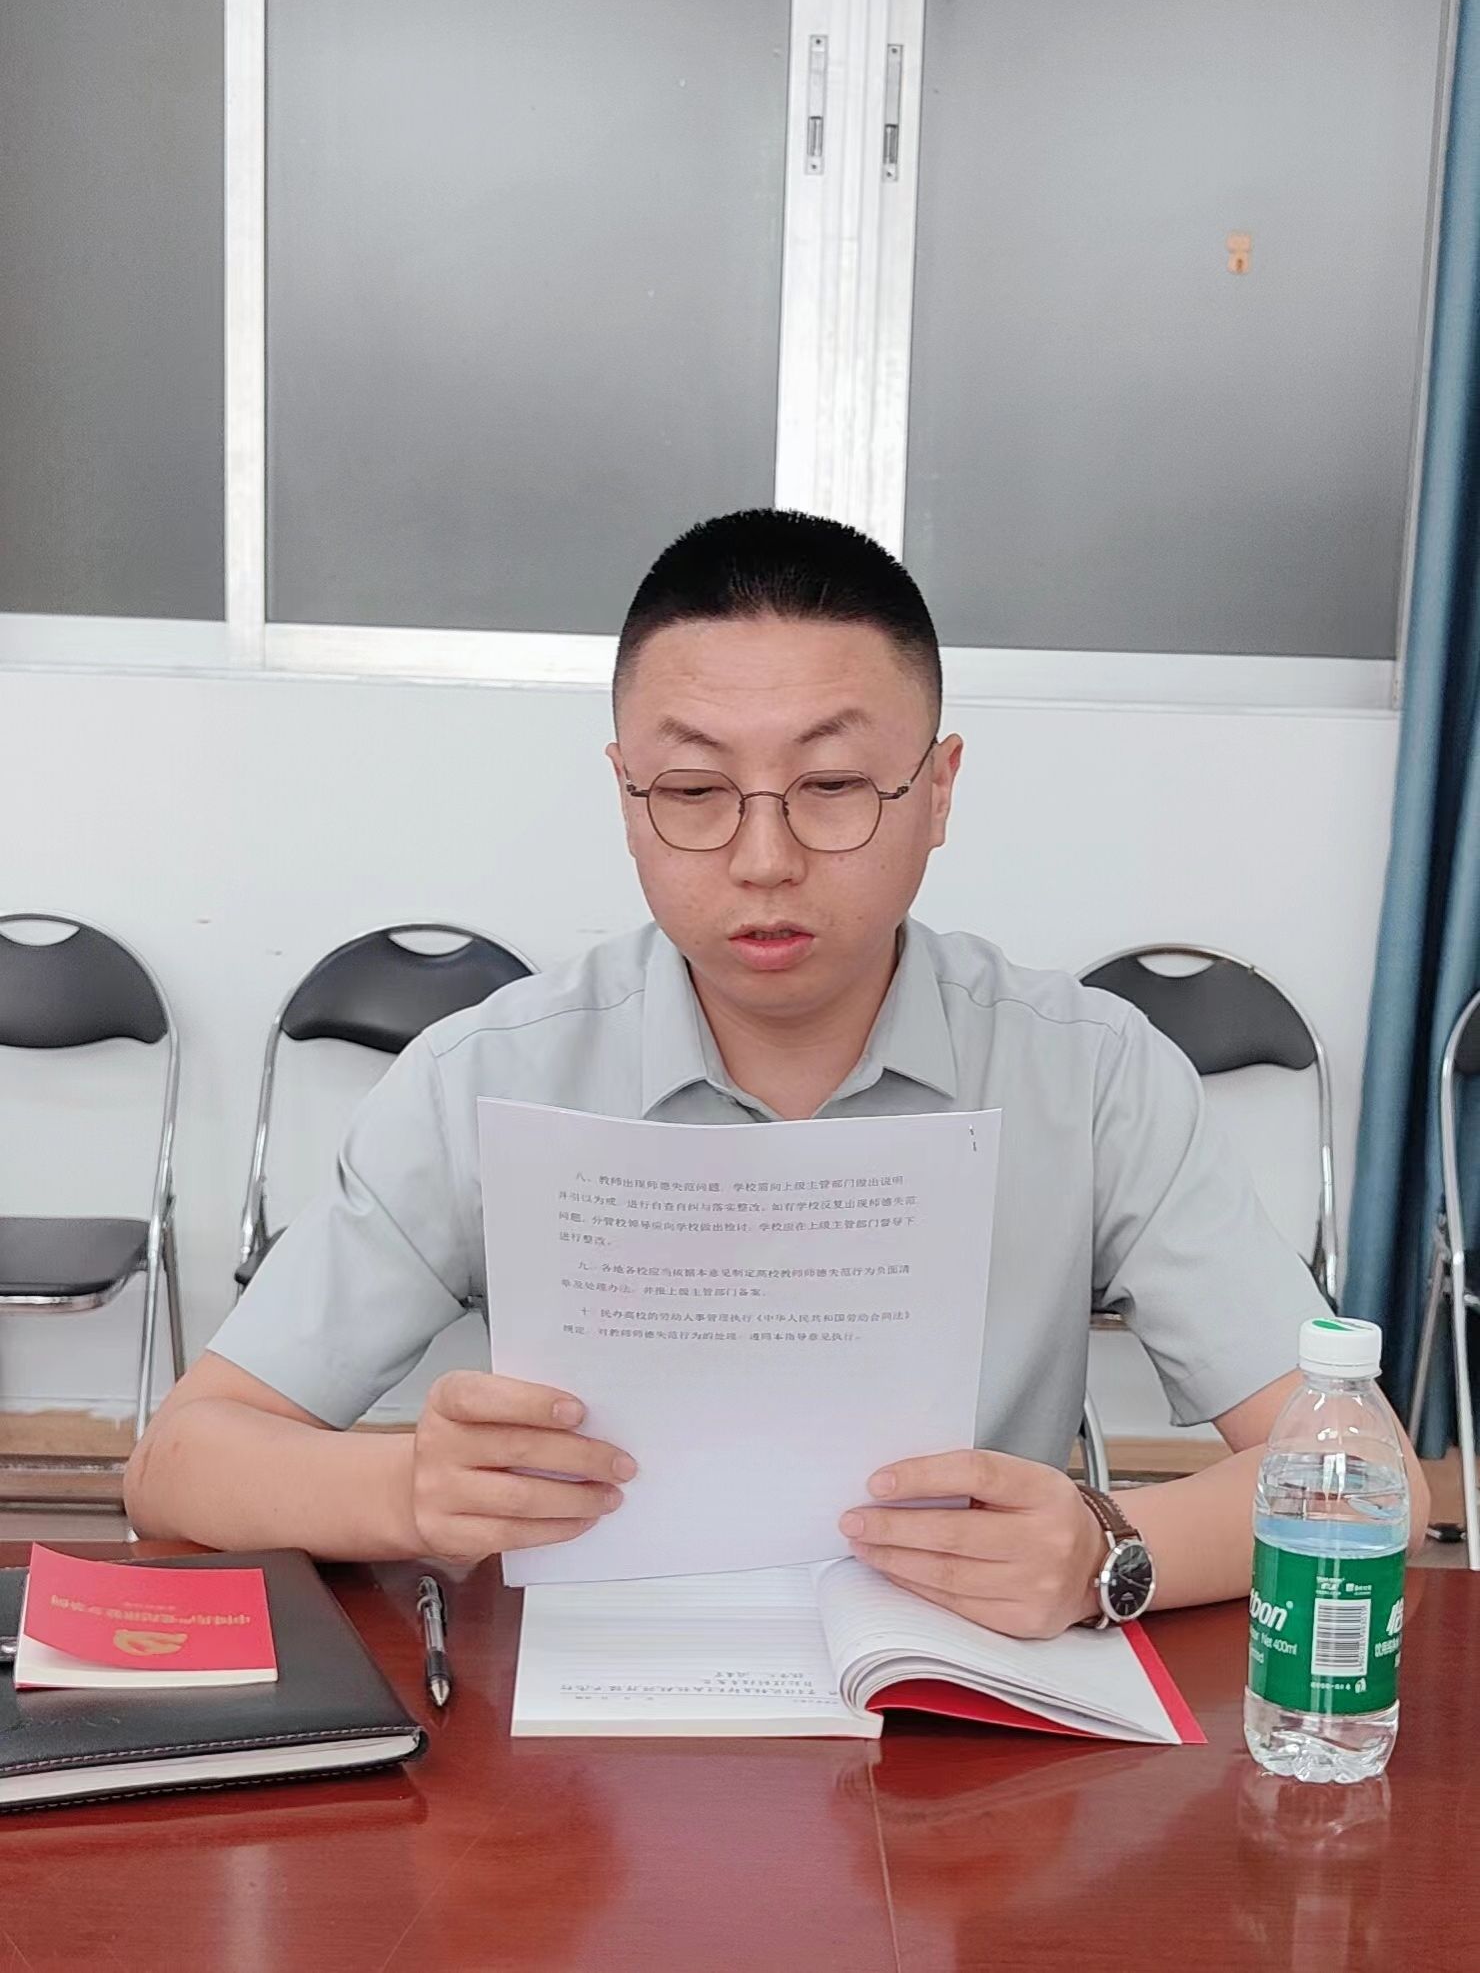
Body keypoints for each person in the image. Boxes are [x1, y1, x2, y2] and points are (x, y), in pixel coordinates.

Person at [124, 510, 1429, 1635]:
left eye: (834, 783)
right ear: (626, 794)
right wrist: (407, 1490)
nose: (764, 859)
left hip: (962, 1716)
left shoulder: (1089, 1075)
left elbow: (1368, 1478)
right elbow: (180, 1461)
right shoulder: (489, 1076)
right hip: (588, 1735)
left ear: (939, 790)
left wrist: (1107, 1552)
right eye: (694, 790)